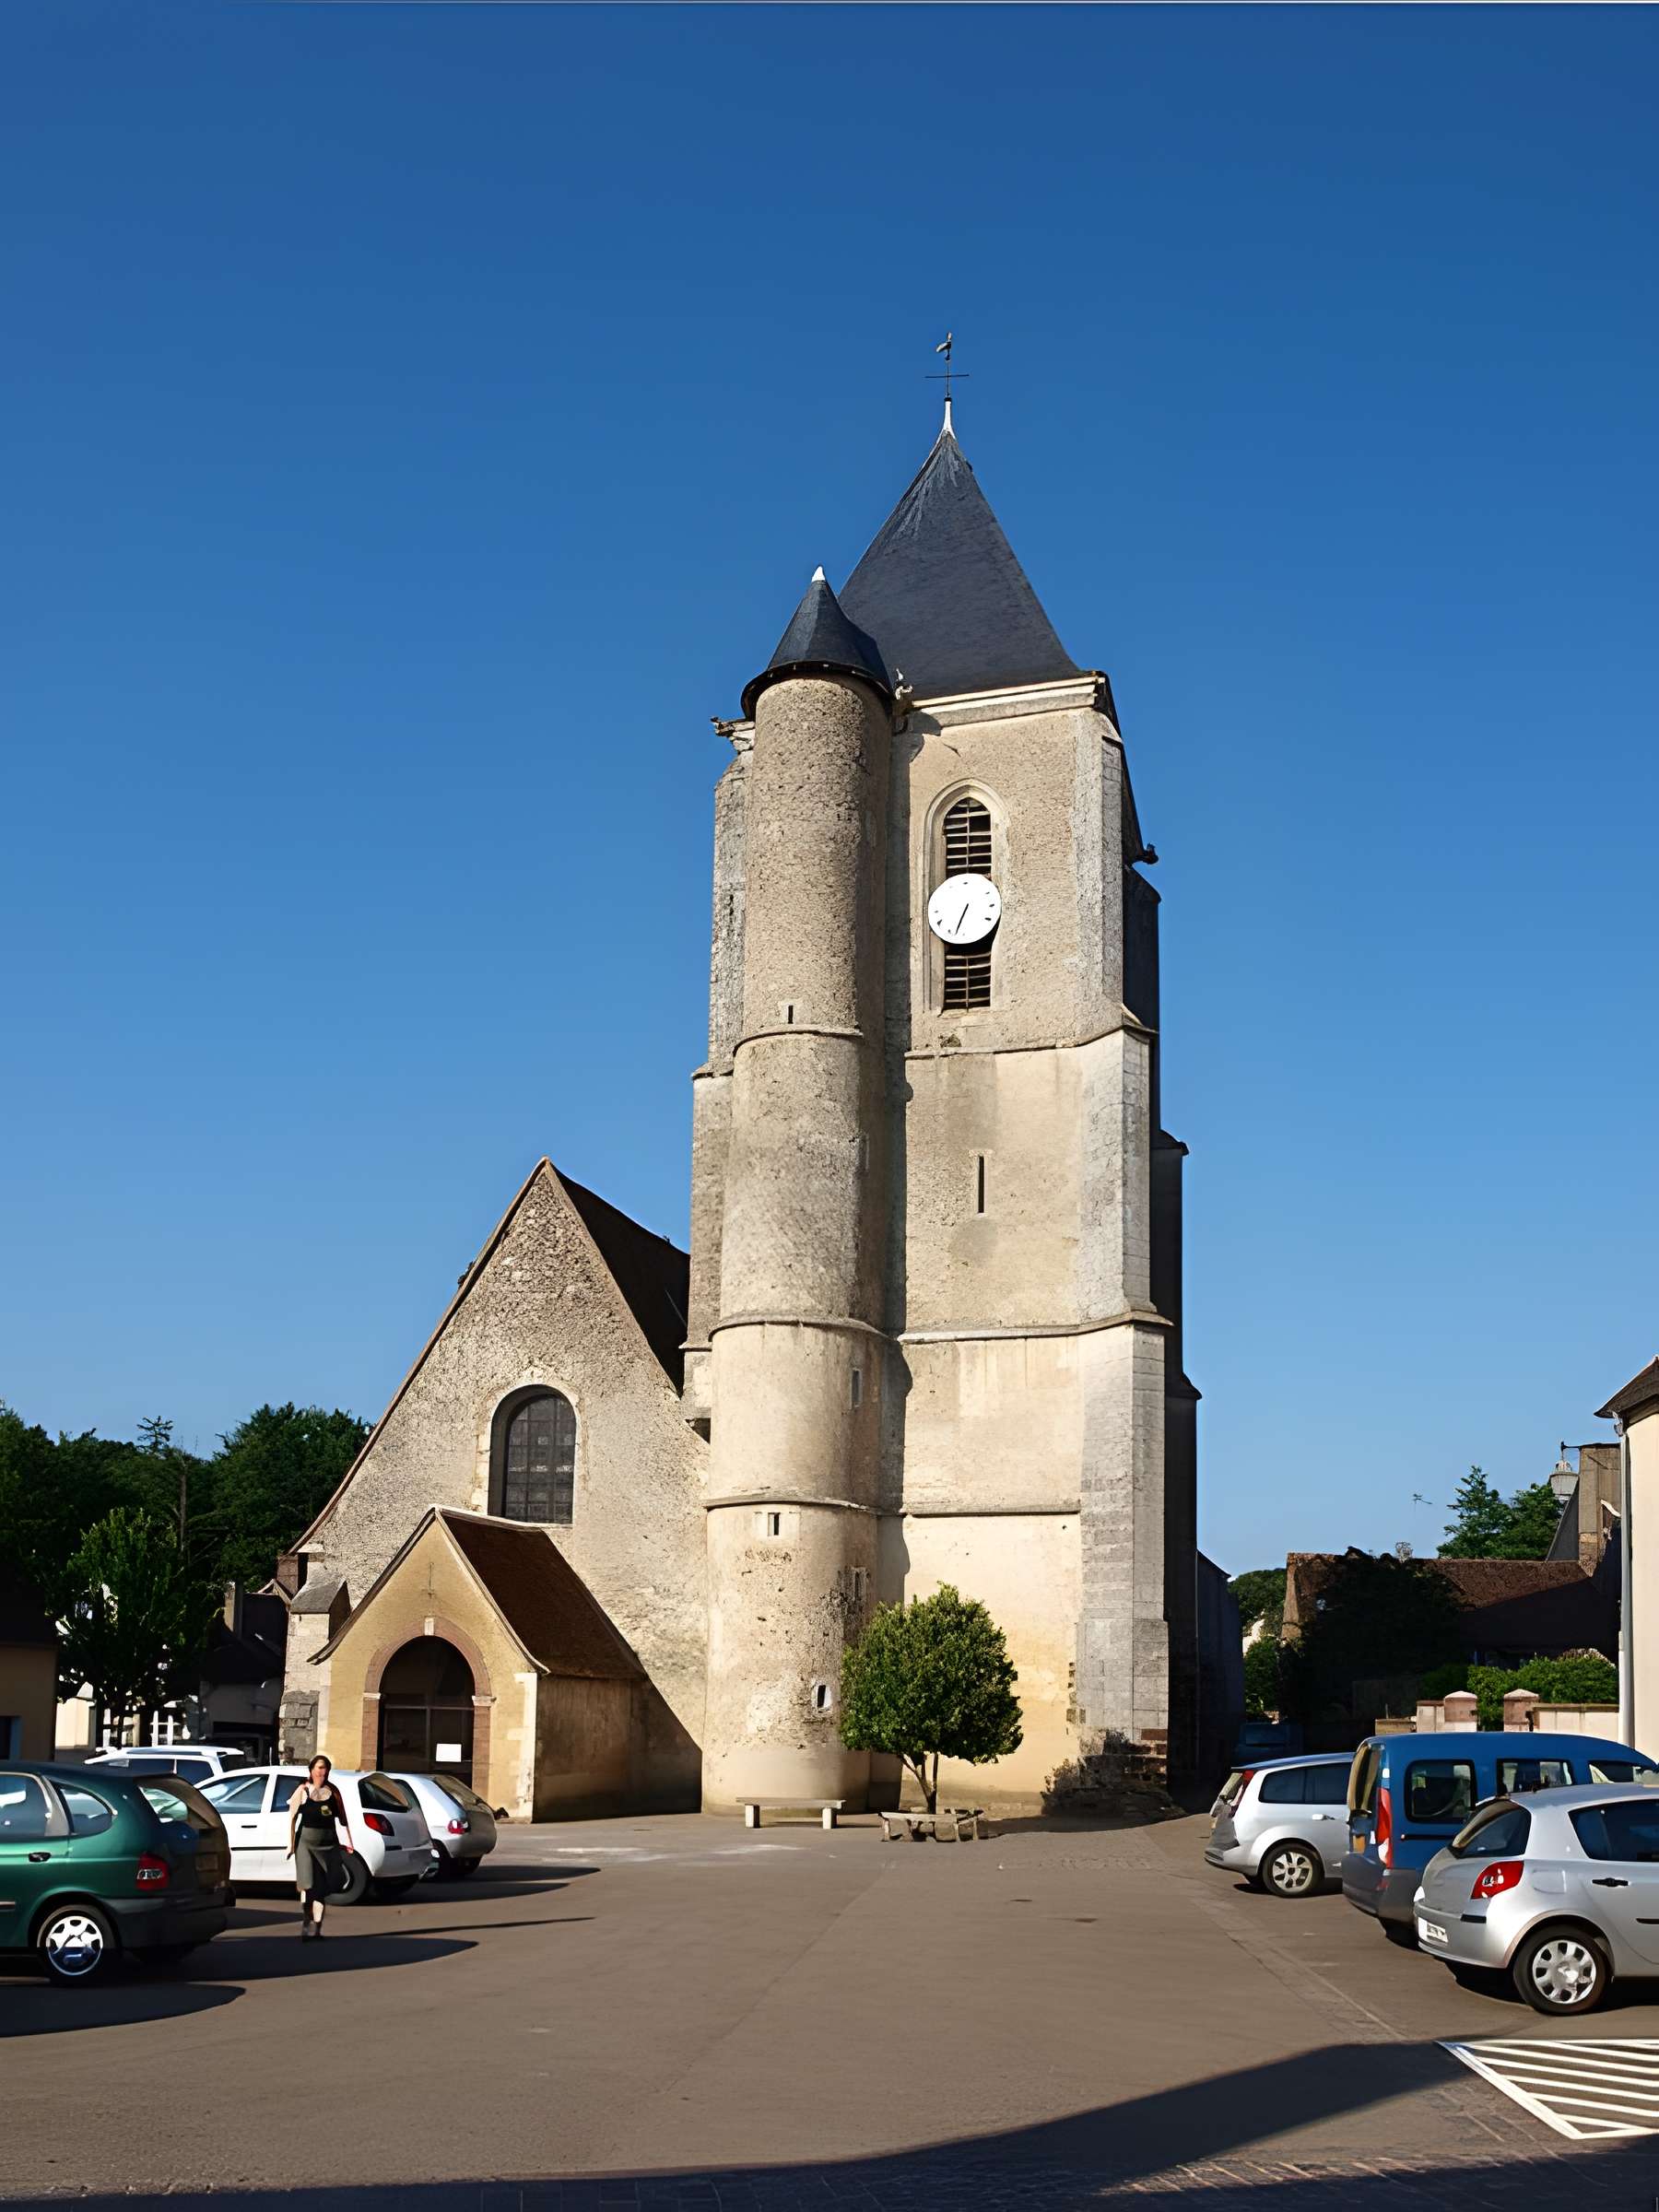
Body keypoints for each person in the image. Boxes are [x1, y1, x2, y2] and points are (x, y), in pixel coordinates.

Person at [286, 1755, 352, 1940]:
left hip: (328, 1844)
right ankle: (305, 1925)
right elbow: (292, 1818)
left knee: (322, 1889)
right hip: (306, 1844)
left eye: (326, 1768)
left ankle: (317, 1930)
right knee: (308, 1886)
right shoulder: (303, 1790)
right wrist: (291, 1845)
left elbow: (343, 1820)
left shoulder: (333, 1792)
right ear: (312, 1770)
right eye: (320, 1768)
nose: (323, 1772)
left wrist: (348, 1843)